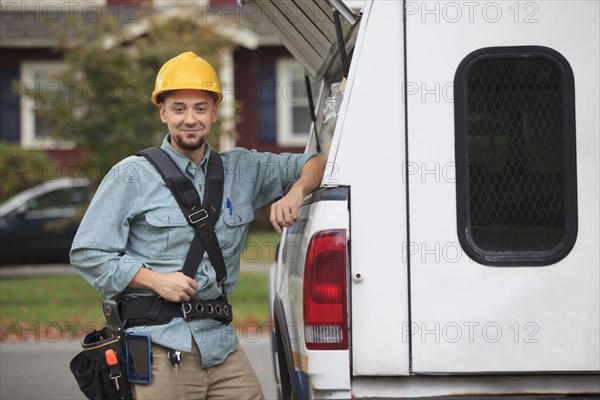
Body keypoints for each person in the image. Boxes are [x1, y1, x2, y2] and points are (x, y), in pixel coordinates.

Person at [70, 51, 326, 399]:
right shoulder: (130, 174)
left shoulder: (244, 169)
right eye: (179, 109)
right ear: (163, 112)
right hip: (161, 348)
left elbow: (318, 163)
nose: (190, 119)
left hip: (221, 347)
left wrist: (296, 193)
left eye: (200, 108)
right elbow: (88, 251)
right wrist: (155, 280)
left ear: (214, 112)